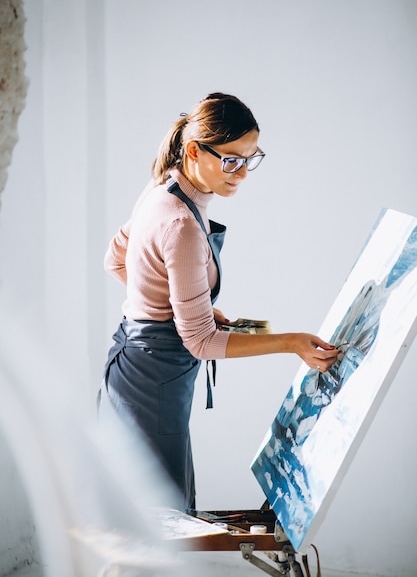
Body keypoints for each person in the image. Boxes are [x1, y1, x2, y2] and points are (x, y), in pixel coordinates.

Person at [98, 92, 339, 512]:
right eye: (231, 159)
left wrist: (178, 306)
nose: (242, 172)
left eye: (251, 158)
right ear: (194, 150)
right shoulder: (181, 224)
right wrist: (293, 342)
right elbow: (201, 343)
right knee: (160, 522)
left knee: (142, 518)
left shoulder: (161, 189)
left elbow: (116, 258)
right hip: (154, 380)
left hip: (134, 366)